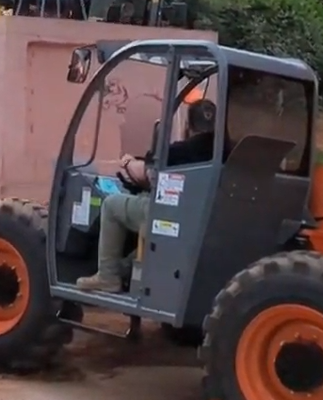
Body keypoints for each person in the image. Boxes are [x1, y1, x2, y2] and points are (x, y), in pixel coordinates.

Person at [76, 96, 217, 293]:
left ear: (188, 125)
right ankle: (125, 271)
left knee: (112, 205)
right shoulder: (226, 151)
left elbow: (146, 174)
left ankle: (107, 276)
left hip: (170, 218)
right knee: (142, 209)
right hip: (199, 220)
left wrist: (126, 162)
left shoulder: (181, 151)